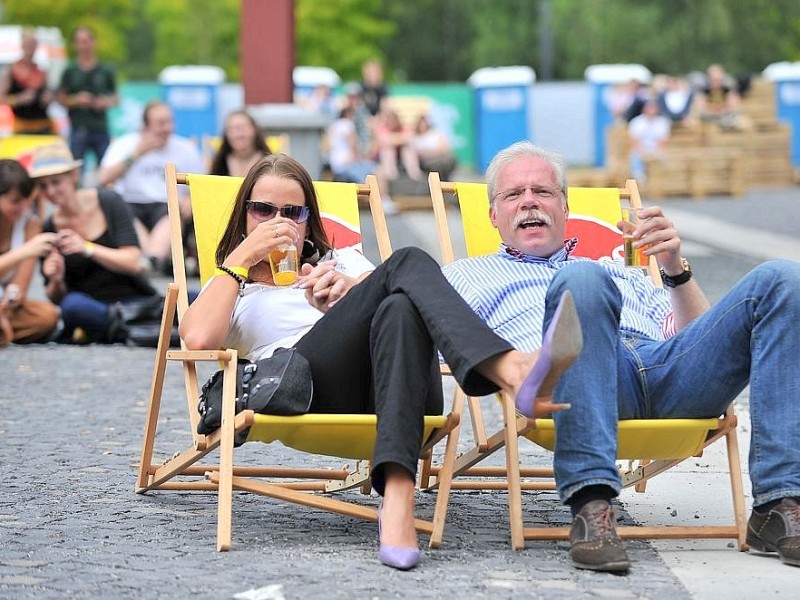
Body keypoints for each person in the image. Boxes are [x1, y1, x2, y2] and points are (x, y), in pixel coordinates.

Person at [179, 153, 583, 571]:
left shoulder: (343, 262)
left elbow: (396, 302)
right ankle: (507, 372)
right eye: (262, 210)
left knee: (399, 307)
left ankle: (398, 496)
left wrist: (349, 293)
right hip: (306, 391)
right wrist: (241, 259)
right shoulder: (231, 284)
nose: (277, 222)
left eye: (292, 212)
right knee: (408, 260)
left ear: (308, 219)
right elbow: (197, 339)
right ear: (244, 215)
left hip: (394, 390)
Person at [443, 140, 800, 573]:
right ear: (493, 216)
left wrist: (674, 267)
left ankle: (778, 505)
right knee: (582, 279)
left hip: (666, 372)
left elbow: (697, 342)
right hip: (576, 381)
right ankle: (592, 506)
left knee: (782, 278)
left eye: (543, 192)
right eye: (513, 194)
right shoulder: (464, 276)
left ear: (565, 207)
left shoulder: (619, 270)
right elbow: (439, 341)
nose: (529, 202)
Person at [31, 141, 158, 344]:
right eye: (43, 186)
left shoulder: (108, 201)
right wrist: (56, 278)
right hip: (93, 306)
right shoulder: (49, 226)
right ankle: (143, 330)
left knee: (193, 297)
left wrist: (87, 248)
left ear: (73, 176)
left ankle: (124, 330)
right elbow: (56, 298)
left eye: (56, 182)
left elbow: (133, 262)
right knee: (72, 306)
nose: (51, 191)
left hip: (135, 299)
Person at [97, 100, 204, 272]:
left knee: (170, 212)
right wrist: (136, 154)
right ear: (146, 126)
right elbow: (103, 178)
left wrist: (190, 200)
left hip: (168, 203)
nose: (167, 128)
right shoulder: (126, 144)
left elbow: (201, 184)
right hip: (130, 202)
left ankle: (151, 258)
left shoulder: (185, 148)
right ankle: (151, 258)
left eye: (170, 122)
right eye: (161, 123)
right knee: (122, 211)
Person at [0, 159, 59, 346]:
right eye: (15, 201)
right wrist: (24, 251)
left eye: (28, 201)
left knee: (47, 317)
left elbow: (20, 287)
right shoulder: (28, 244)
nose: (23, 207)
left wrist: (7, 307)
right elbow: (25, 253)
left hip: (4, 305)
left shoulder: (30, 223)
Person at [57, 26, 118, 172]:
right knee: (76, 171)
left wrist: (104, 102)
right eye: (80, 42)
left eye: (86, 41)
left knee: (106, 169)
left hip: (100, 128)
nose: (84, 46)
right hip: (78, 127)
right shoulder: (70, 71)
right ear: (75, 45)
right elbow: (61, 99)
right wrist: (77, 100)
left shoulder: (105, 70)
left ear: (93, 42)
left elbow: (115, 98)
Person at [0, 27, 55, 135]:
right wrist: (19, 99)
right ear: (22, 46)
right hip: (21, 125)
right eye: (27, 45)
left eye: (33, 45)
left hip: (43, 124)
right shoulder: (11, 70)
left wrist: (48, 98)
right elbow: (2, 99)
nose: (30, 48)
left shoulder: (41, 71)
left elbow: (50, 95)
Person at [209, 110, 271, 177]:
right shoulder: (220, 163)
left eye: (242, 128)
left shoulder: (268, 162)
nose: (237, 134)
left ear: (254, 130)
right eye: (231, 129)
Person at [627, 99, 671, 181]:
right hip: (640, 149)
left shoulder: (662, 122)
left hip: (656, 149)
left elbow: (663, 141)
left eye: (653, 108)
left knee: (663, 157)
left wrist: (655, 152)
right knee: (635, 158)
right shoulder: (637, 122)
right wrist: (642, 152)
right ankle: (640, 179)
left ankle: (660, 179)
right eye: (649, 108)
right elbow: (634, 141)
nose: (651, 111)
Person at [373, 107, 423, 182]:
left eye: (393, 121)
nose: (391, 123)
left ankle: (414, 173)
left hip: (401, 156)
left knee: (408, 150)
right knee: (388, 150)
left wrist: (394, 139)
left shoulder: (403, 128)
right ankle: (390, 175)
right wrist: (398, 139)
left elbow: (408, 138)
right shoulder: (383, 128)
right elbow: (384, 140)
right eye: (390, 120)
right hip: (382, 158)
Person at [410, 114, 457, 181]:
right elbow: (416, 152)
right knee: (437, 165)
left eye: (424, 124)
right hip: (426, 161)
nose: (422, 126)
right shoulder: (415, 137)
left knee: (448, 160)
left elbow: (443, 148)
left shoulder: (434, 134)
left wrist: (429, 152)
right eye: (421, 124)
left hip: (440, 158)